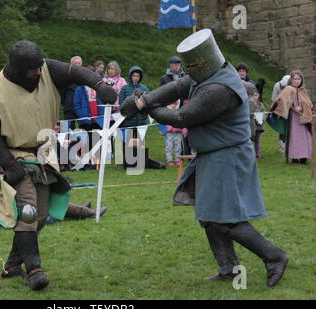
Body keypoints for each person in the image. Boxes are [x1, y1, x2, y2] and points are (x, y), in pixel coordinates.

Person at [121, 29, 289, 288]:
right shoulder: (206, 75)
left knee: (227, 219)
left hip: (228, 155)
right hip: (213, 154)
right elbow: (177, 86)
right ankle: (229, 269)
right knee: (209, 216)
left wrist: (146, 107)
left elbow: (182, 117)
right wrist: (143, 102)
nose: (189, 71)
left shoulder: (221, 87)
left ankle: (275, 256)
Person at [0, 40, 116, 291]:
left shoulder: (45, 68)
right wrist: (9, 163)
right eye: (33, 69)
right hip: (16, 156)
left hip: (43, 155)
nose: (38, 72)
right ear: (19, 68)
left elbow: (76, 71)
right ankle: (35, 270)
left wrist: (98, 85)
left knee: (40, 216)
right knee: (29, 210)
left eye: (38, 66)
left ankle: (12, 266)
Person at [269, 70, 313, 164]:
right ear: (291, 80)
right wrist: (293, 108)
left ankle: (304, 157)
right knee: (294, 137)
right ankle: (295, 158)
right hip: (293, 118)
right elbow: (281, 101)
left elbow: (309, 104)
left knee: (304, 137)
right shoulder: (288, 89)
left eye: (299, 79)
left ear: (301, 80)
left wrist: (302, 107)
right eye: (295, 79)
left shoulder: (303, 90)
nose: (297, 81)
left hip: (303, 118)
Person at [60, 56, 83, 131]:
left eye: (79, 63)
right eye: (75, 63)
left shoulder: (85, 77)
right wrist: (66, 103)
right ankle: (70, 142)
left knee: (83, 129)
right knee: (68, 130)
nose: (77, 65)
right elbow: (62, 93)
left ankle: (83, 142)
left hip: (82, 108)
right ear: (71, 64)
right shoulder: (65, 77)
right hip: (69, 108)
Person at [164, 100, 188, 166]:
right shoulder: (166, 112)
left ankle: (178, 160)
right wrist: (169, 128)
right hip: (169, 133)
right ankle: (169, 160)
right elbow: (163, 122)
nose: (173, 105)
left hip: (178, 133)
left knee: (178, 147)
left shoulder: (179, 112)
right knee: (169, 147)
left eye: (175, 104)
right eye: (172, 104)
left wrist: (184, 130)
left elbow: (183, 122)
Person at [248, 87, 267, 159]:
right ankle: (250, 154)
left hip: (258, 125)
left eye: (256, 95)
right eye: (253, 96)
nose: (254, 97)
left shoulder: (260, 104)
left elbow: (264, 112)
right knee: (251, 139)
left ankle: (257, 154)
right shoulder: (249, 104)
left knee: (257, 140)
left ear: (258, 95)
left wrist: (262, 119)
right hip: (251, 125)